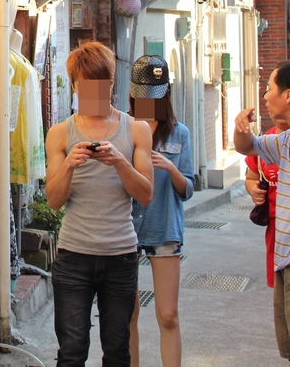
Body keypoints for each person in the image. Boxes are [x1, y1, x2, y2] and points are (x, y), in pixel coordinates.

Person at [45, 41, 154, 367]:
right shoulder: (60, 134)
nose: (92, 92)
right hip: (73, 256)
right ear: (76, 86)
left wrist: (120, 161)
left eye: (99, 85)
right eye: (84, 85)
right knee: (72, 351)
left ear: (110, 83)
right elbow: (53, 201)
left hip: (120, 255)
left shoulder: (136, 129)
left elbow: (145, 194)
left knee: (118, 350)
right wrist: (68, 165)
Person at [126, 55, 194, 367]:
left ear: (165, 93)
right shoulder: (123, 128)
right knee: (128, 313)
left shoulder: (179, 133)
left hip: (165, 227)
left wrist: (171, 167)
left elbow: (187, 189)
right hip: (126, 229)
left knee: (168, 314)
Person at [234, 61, 290, 367]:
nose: (265, 97)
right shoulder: (286, 141)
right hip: (283, 256)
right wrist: (240, 129)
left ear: (287, 95)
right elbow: (248, 147)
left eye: (269, 89)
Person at [247, 140, 280, 288]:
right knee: (281, 284)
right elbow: (251, 178)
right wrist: (254, 191)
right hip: (276, 228)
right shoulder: (265, 143)